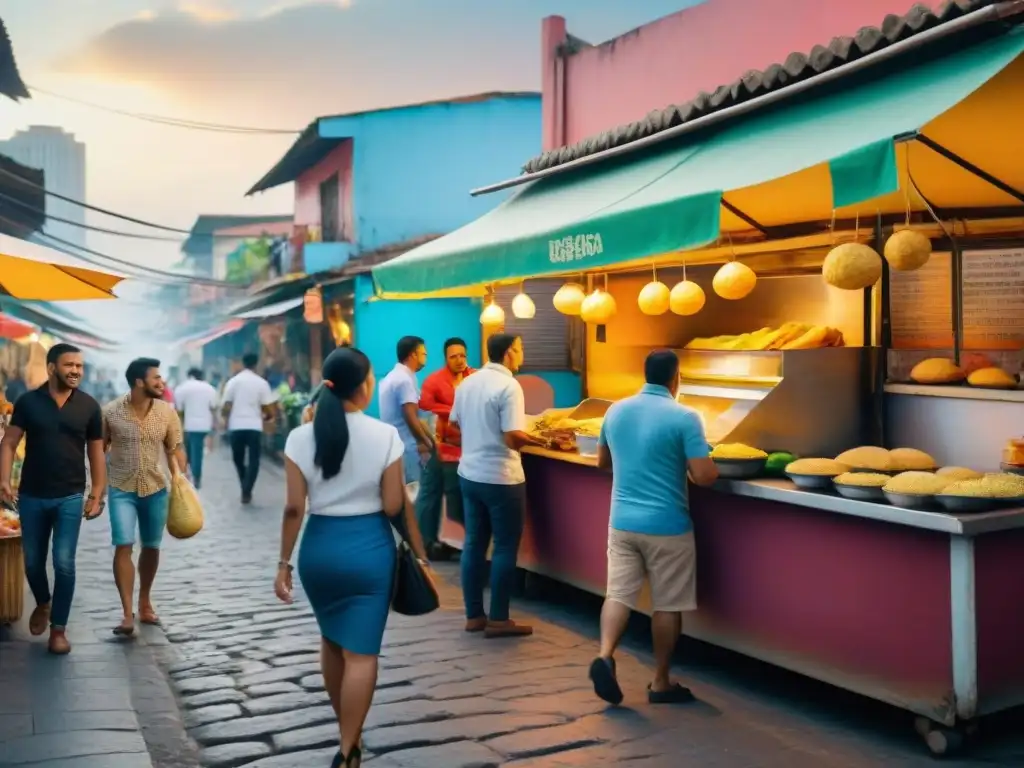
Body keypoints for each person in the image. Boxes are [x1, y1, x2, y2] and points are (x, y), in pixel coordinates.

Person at [274, 347, 429, 768]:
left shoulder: (299, 437)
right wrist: (421, 554)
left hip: (318, 551)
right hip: (369, 549)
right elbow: (395, 504)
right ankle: (348, 748)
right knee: (362, 654)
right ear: (363, 386)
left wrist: (283, 563)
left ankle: (348, 737)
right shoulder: (385, 436)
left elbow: (293, 509)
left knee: (331, 639)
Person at [588, 350, 719, 706]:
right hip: (668, 526)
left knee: (618, 594)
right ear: (676, 378)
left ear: (644, 374)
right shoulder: (685, 417)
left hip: (622, 522)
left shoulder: (615, 410)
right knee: (667, 604)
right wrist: (708, 460)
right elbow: (704, 476)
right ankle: (661, 682)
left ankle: (604, 654)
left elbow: (603, 463)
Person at [0, 344, 106, 655]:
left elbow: (96, 450)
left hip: (70, 496)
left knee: (64, 563)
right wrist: (4, 479)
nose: (76, 371)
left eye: (80, 366)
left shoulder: (89, 406)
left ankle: (58, 629)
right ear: (51, 368)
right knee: (32, 563)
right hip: (31, 495)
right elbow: (9, 443)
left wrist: (97, 492)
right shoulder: (29, 402)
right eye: (69, 365)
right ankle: (43, 603)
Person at [450, 333, 552, 639]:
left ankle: (474, 616)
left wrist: (478, 433)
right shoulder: (509, 386)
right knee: (505, 547)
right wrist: (541, 439)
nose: (521, 355)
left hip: (469, 473)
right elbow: (512, 437)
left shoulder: (468, 381)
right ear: (509, 353)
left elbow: (455, 422)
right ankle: (498, 619)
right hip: (501, 477)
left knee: (474, 544)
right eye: (520, 349)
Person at [104, 358, 187, 636]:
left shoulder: (167, 413)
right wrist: (96, 490)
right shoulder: (111, 412)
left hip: (156, 488)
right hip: (121, 488)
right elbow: (99, 448)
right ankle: (127, 614)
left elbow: (175, 449)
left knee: (151, 546)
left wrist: (181, 482)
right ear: (139, 381)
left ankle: (145, 600)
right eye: (156, 378)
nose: (161, 383)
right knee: (123, 544)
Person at [417, 337, 475, 559]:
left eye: (463, 355)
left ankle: (457, 544)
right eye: (454, 356)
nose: (459, 360)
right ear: (445, 358)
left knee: (457, 496)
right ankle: (427, 543)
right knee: (435, 494)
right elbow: (424, 404)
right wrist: (451, 409)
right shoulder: (435, 380)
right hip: (443, 446)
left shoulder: (475, 377)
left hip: (469, 448)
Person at [222, 353, 278, 504]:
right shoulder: (261, 383)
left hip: (236, 426)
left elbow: (226, 405)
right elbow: (268, 408)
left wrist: (225, 420)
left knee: (237, 458)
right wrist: (267, 417)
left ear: (242, 363)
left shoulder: (233, 382)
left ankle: (244, 486)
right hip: (254, 426)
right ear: (256, 364)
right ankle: (247, 489)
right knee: (254, 460)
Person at [377, 336, 433, 485]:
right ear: (413, 354)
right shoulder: (403, 380)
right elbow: (411, 416)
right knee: (413, 497)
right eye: (424, 353)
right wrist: (426, 442)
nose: (426, 356)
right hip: (407, 449)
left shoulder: (393, 377)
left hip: (396, 447)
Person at [174, 368, 218, 489]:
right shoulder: (210, 389)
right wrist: (215, 424)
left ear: (189, 375)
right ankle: (194, 474)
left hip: (189, 425)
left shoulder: (182, 388)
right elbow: (213, 408)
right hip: (204, 424)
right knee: (196, 450)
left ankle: (194, 475)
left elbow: (179, 410)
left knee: (192, 450)